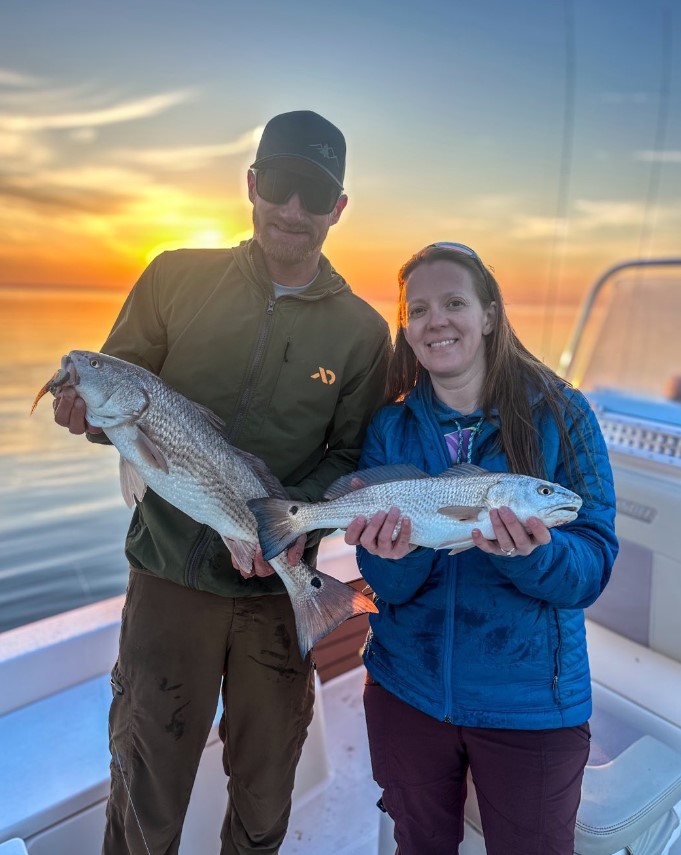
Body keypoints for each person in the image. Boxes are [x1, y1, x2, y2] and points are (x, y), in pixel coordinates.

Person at [53, 110, 391, 855]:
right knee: (146, 791)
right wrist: (87, 414)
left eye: (313, 193)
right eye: (278, 184)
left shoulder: (364, 333)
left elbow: (353, 458)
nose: (292, 209)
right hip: (168, 578)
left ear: (338, 207)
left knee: (266, 796)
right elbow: (117, 394)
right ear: (251, 184)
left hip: (276, 589)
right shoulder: (174, 274)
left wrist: (282, 526)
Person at [344, 242, 618, 855]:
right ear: (407, 330)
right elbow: (386, 586)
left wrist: (534, 555)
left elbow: (593, 563)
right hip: (404, 690)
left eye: (453, 302)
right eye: (418, 309)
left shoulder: (562, 413)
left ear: (490, 313)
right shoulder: (391, 427)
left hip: (532, 708)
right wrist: (394, 553)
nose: (435, 319)